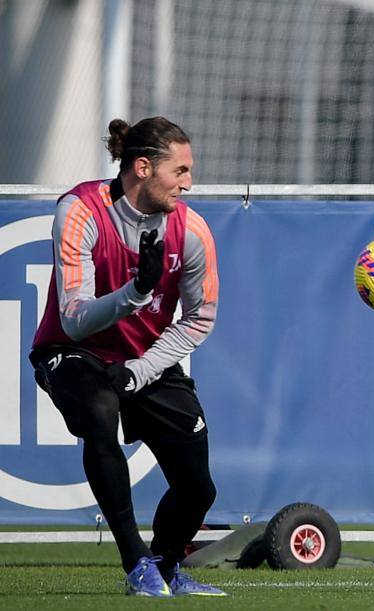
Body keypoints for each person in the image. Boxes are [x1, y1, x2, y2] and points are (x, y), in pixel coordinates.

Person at [29, 117, 225, 597]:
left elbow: (200, 318)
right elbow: (74, 318)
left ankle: (166, 564)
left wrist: (139, 371)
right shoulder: (80, 210)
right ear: (142, 167)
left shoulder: (192, 230)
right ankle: (136, 563)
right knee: (99, 413)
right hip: (73, 350)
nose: (189, 182)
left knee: (199, 488)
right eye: (179, 171)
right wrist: (137, 291)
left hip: (143, 360)